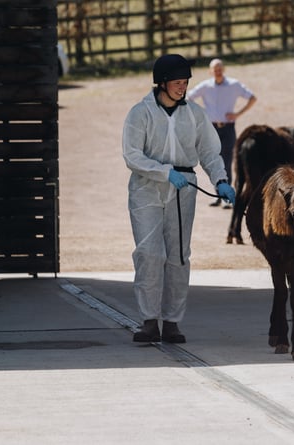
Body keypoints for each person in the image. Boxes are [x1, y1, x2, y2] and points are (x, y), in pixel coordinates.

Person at [122, 54, 236, 343]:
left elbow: (210, 150)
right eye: (177, 82)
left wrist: (220, 180)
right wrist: (163, 172)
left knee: (179, 256)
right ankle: (149, 321)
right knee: (149, 253)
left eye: (185, 83)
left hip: (184, 188)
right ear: (161, 83)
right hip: (147, 188)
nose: (182, 88)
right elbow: (132, 155)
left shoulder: (194, 114)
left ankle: (172, 322)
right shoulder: (140, 113)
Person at [187, 58, 257, 208]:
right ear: (210, 71)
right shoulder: (205, 86)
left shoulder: (234, 85)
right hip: (210, 128)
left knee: (227, 160)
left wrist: (238, 114)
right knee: (213, 160)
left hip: (228, 128)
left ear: (223, 69)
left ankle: (227, 196)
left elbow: (252, 98)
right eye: (214, 69)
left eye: (220, 68)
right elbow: (188, 98)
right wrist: (202, 113)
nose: (217, 71)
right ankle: (217, 195)